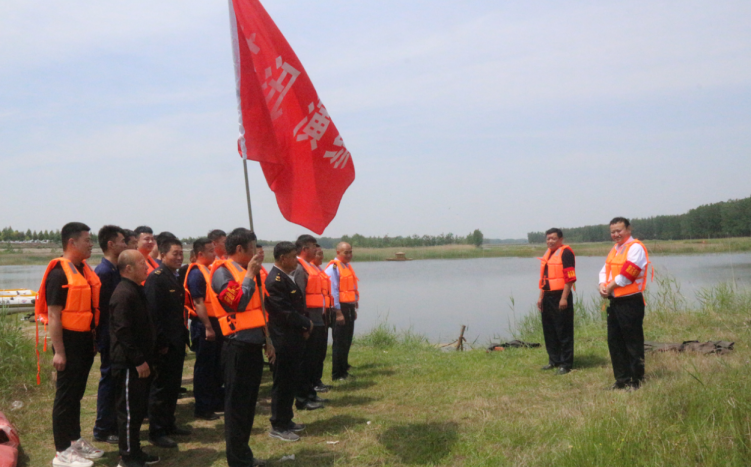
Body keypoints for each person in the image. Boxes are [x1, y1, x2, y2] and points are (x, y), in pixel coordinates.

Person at [35, 222, 104, 466]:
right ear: (72, 243)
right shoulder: (59, 273)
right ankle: (61, 452)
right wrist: (59, 352)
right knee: (65, 397)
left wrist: (92, 341)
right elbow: (54, 315)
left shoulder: (84, 270)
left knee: (76, 395)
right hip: (68, 341)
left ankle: (74, 441)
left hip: (84, 340)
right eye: (87, 239)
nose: (91, 244)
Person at [208, 228, 271, 467]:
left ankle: (244, 454)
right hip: (237, 347)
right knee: (236, 408)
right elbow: (237, 303)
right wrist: (249, 277)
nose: (257, 253)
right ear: (239, 250)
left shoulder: (247, 271)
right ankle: (238, 460)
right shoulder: (223, 273)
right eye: (253, 248)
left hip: (253, 346)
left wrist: (268, 341)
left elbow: (260, 311)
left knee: (247, 405)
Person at [109, 250, 159, 467]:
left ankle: (136, 451)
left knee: (138, 410)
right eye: (141, 263)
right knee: (128, 411)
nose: (147, 267)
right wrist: (138, 360)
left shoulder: (136, 290)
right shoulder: (123, 294)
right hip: (129, 363)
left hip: (140, 361)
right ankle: (127, 457)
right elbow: (122, 331)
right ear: (128, 268)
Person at [144, 237, 190, 448]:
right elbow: (153, 315)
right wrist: (160, 342)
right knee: (161, 388)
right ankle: (157, 431)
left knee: (173, 386)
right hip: (164, 344)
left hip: (177, 339)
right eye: (175, 253)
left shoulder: (174, 277)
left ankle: (169, 423)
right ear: (162, 255)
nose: (179, 257)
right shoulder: (157, 278)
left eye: (181, 253)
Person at [266, 241, 314, 443]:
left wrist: (303, 325)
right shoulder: (275, 280)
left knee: (290, 380)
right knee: (282, 383)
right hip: (283, 339)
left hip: (293, 337)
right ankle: (278, 424)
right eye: (294, 257)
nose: (296, 260)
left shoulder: (286, 277)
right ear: (283, 258)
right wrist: (307, 324)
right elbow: (285, 312)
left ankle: (287, 419)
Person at [599, 217, 651, 391]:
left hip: (630, 302)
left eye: (619, 230)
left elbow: (628, 274)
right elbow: (604, 269)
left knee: (632, 342)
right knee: (615, 341)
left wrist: (609, 286)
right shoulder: (615, 249)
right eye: (613, 232)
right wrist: (601, 285)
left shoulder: (636, 248)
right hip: (614, 302)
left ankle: (637, 380)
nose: (616, 234)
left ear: (628, 229)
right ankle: (621, 379)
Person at [93, 225, 128, 445]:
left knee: (117, 382)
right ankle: (103, 428)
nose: (125, 245)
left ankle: (115, 423)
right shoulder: (104, 272)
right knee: (109, 381)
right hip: (109, 336)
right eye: (123, 241)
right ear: (110, 244)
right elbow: (103, 310)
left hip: (117, 336)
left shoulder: (115, 270)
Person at [184, 238, 223, 421]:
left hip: (215, 322)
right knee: (204, 368)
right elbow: (198, 303)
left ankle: (214, 401)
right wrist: (208, 327)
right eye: (209, 251)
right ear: (200, 254)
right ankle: (202, 407)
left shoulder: (208, 270)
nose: (214, 254)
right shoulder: (196, 274)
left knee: (215, 367)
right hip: (203, 325)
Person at [291, 235, 328, 409]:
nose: (316, 250)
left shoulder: (309, 267)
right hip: (309, 320)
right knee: (306, 361)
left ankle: (311, 393)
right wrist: (304, 323)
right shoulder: (299, 269)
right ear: (305, 248)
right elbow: (299, 299)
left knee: (314, 359)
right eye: (313, 246)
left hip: (317, 318)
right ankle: (303, 398)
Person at [536, 228, 576, 375]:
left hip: (560, 295)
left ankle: (566, 364)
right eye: (548, 239)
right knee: (550, 330)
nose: (550, 241)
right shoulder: (548, 253)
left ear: (561, 239)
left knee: (563, 330)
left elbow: (570, 278)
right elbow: (545, 279)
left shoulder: (566, 253)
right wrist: (541, 297)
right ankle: (554, 360)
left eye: (553, 238)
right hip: (547, 296)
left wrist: (564, 298)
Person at [325, 242, 359, 381]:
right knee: (339, 342)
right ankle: (337, 374)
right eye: (346, 252)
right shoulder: (334, 268)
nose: (349, 255)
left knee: (347, 340)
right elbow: (333, 291)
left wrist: (354, 306)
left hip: (348, 307)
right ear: (338, 252)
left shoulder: (347, 266)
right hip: (339, 308)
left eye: (350, 251)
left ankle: (344, 368)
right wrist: (338, 312)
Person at [311, 246, 336, 393]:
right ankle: (313, 383)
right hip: (314, 317)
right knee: (314, 353)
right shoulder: (307, 271)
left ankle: (317, 380)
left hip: (323, 315)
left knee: (321, 352)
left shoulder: (318, 270)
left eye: (322, 253)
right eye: (319, 254)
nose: (322, 257)